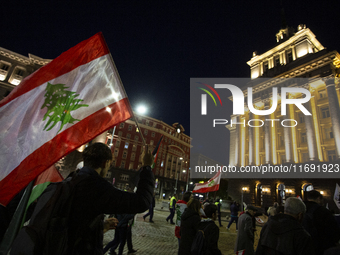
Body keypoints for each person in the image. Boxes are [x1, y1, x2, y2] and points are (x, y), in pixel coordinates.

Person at [65, 142, 154, 255]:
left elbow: (76, 222)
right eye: (109, 164)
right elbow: (141, 202)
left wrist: (99, 226)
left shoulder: (71, 180)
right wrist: (146, 167)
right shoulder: (96, 187)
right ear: (105, 163)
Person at [302, 190, 340, 254]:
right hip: (323, 247)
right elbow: (333, 230)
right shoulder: (323, 211)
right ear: (319, 198)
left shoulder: (301, 209)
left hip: (305, 246)